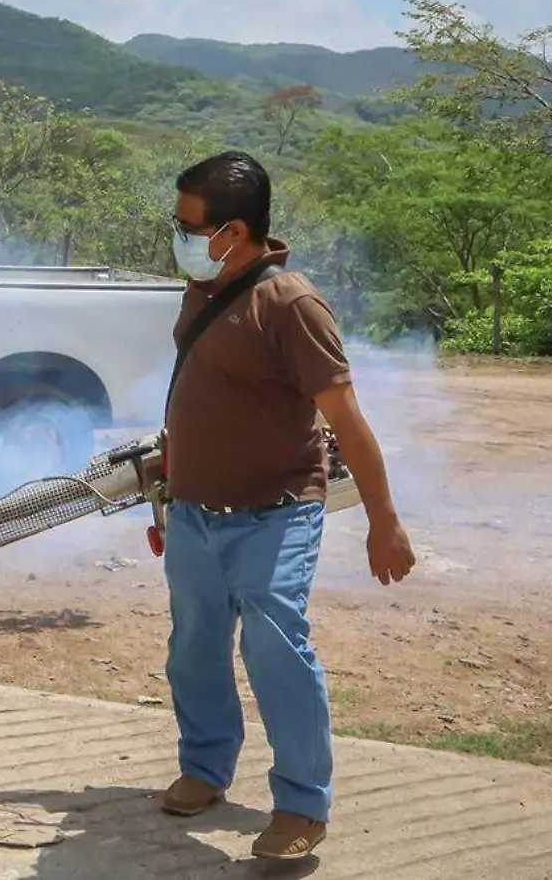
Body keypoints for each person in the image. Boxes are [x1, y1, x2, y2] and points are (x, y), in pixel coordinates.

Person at [157, 149, 417, 860]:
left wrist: (383, 521)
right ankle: (206, 768)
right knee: (194, 648)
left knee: (275, 648)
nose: (176, 237)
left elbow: (347, 419)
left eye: (186, 226)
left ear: (232, 232)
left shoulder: (291, 304)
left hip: (275, 510)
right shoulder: (202, 287)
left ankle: (302, 806)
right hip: (194, 512)